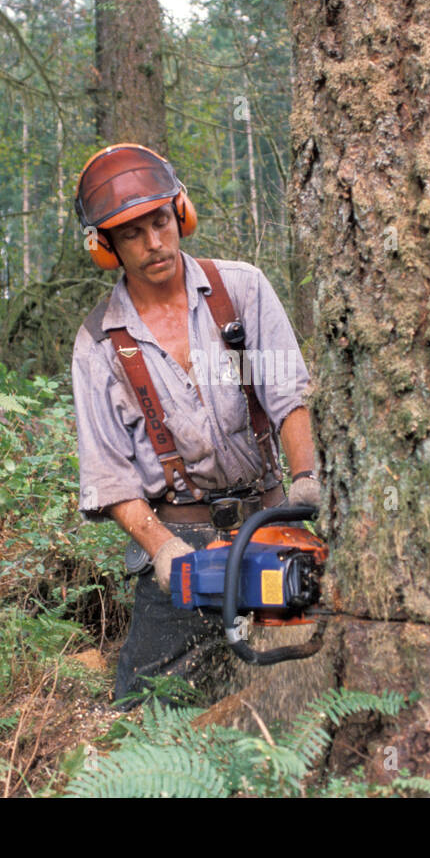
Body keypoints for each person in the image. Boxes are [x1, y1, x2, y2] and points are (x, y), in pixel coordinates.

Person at [69, 143, 320, 705]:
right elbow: (110, 478)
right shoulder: (99, 345)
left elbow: (288, 398)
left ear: (180, 212)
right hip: (185, 537)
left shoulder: (242, 291)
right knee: (147, 707)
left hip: (269, 513)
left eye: (160, 222)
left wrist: (304, 482)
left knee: (307, 667)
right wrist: (161, 548)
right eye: (132, 233)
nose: (154, 243)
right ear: (105, 246)